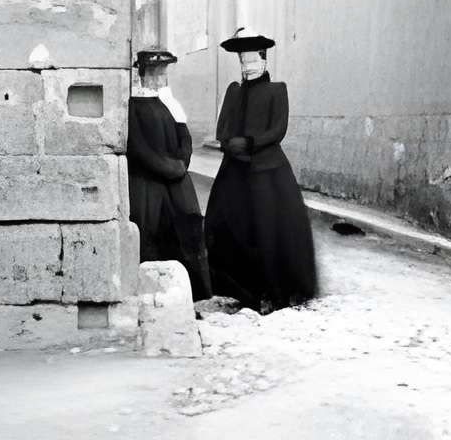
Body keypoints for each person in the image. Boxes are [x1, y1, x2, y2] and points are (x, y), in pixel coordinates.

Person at [203, 30, 318, 313]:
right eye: (244, 61)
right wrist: (229, 144)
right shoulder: (234, 91)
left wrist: (251, 143)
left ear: (264, 60)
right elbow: (222, 127)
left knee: (271, 229)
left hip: (268, 170)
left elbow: (278, 129)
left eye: (253, 60)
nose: (248, 66)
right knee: (229, 225)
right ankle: (241, 290)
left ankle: (276, 291)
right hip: (235, 171)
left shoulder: (277, 90)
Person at [126, 46, 210, 301]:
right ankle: (153, 296)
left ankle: (189, 296)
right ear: (142, 75)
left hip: (177, 184)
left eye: (162, 73)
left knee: (185, 234)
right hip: (148, 186)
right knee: (150, 236)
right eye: (152, 73)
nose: (158, 79)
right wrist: (168, 168)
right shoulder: (133, 104)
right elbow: (137, 147)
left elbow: (185, 138)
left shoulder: (171, 104)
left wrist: (182, 163)